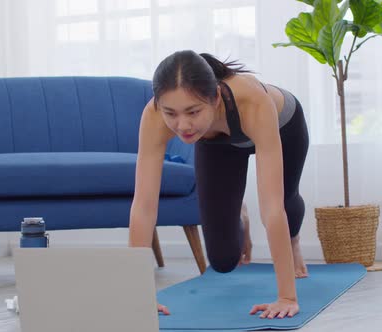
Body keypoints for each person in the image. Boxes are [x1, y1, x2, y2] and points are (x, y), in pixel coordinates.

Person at [128, 50, 309, 319]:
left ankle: (293, 240)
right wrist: (138, 296)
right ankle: (239, 213)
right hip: (216, 140)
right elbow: (143, 206)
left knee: (284, 201)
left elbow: (271, 208)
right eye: (171, 113)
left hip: (284, 125)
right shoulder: (154, 116)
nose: (183, 125)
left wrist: (286, 297)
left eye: (192, 111)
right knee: (223, 260)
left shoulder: (252, 101)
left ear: (214, 98)